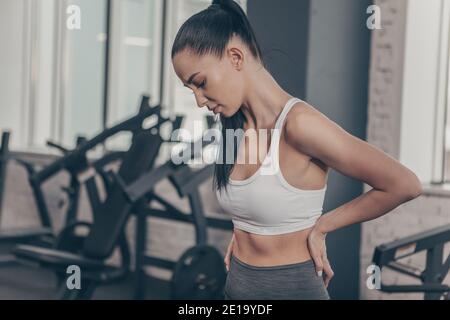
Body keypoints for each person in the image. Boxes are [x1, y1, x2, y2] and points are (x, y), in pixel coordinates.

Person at [171, 0, 422, 300]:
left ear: (235, 56)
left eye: (200, 83)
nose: (200, 100)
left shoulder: (299, 125)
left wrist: (322, 227)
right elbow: (257, 208)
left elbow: (404, 184)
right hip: (236, 287)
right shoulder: (233, 128)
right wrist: (245, 233)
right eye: (191, 90)